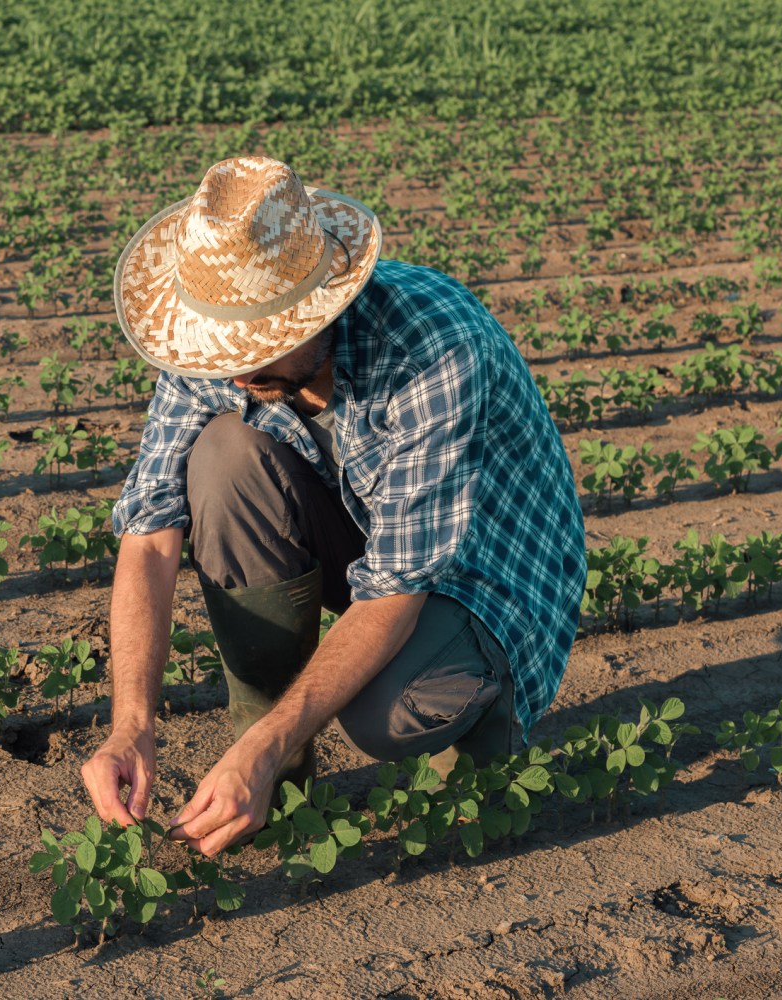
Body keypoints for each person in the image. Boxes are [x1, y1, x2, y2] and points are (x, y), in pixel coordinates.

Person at [79, 156, 585, 857]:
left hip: (486, 575)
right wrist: (129, 724)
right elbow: (150, 533)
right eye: (226, 347)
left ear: (325, 303)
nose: (234, 369)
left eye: (261, 345)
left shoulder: (433, 349)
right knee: (225, 457)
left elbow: (397, 589)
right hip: (371, 548)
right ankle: (275, 781)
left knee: (386, 712)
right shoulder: (216, 345)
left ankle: (483, 725)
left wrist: (266, 739)